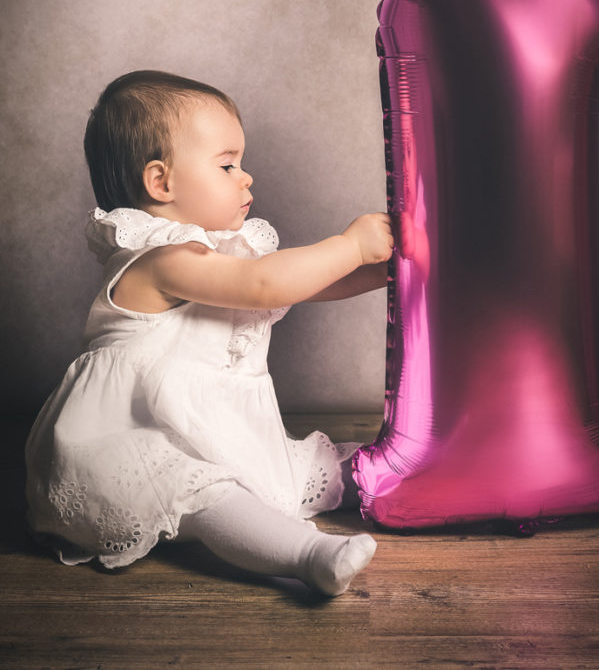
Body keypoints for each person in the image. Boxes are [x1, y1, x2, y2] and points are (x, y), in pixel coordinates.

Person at [25, 70, 393, 596]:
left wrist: (382, 271)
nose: (246, 178)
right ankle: (307, 553)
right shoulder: (160, 259)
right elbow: (265, 283)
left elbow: (301, 285)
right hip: (131, 442)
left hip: (202, 427)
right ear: (161, 183)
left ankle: (387, 473)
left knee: (310, 464)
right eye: (227, 165)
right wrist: (351, 246)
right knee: (206, 494)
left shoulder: (216, 256)